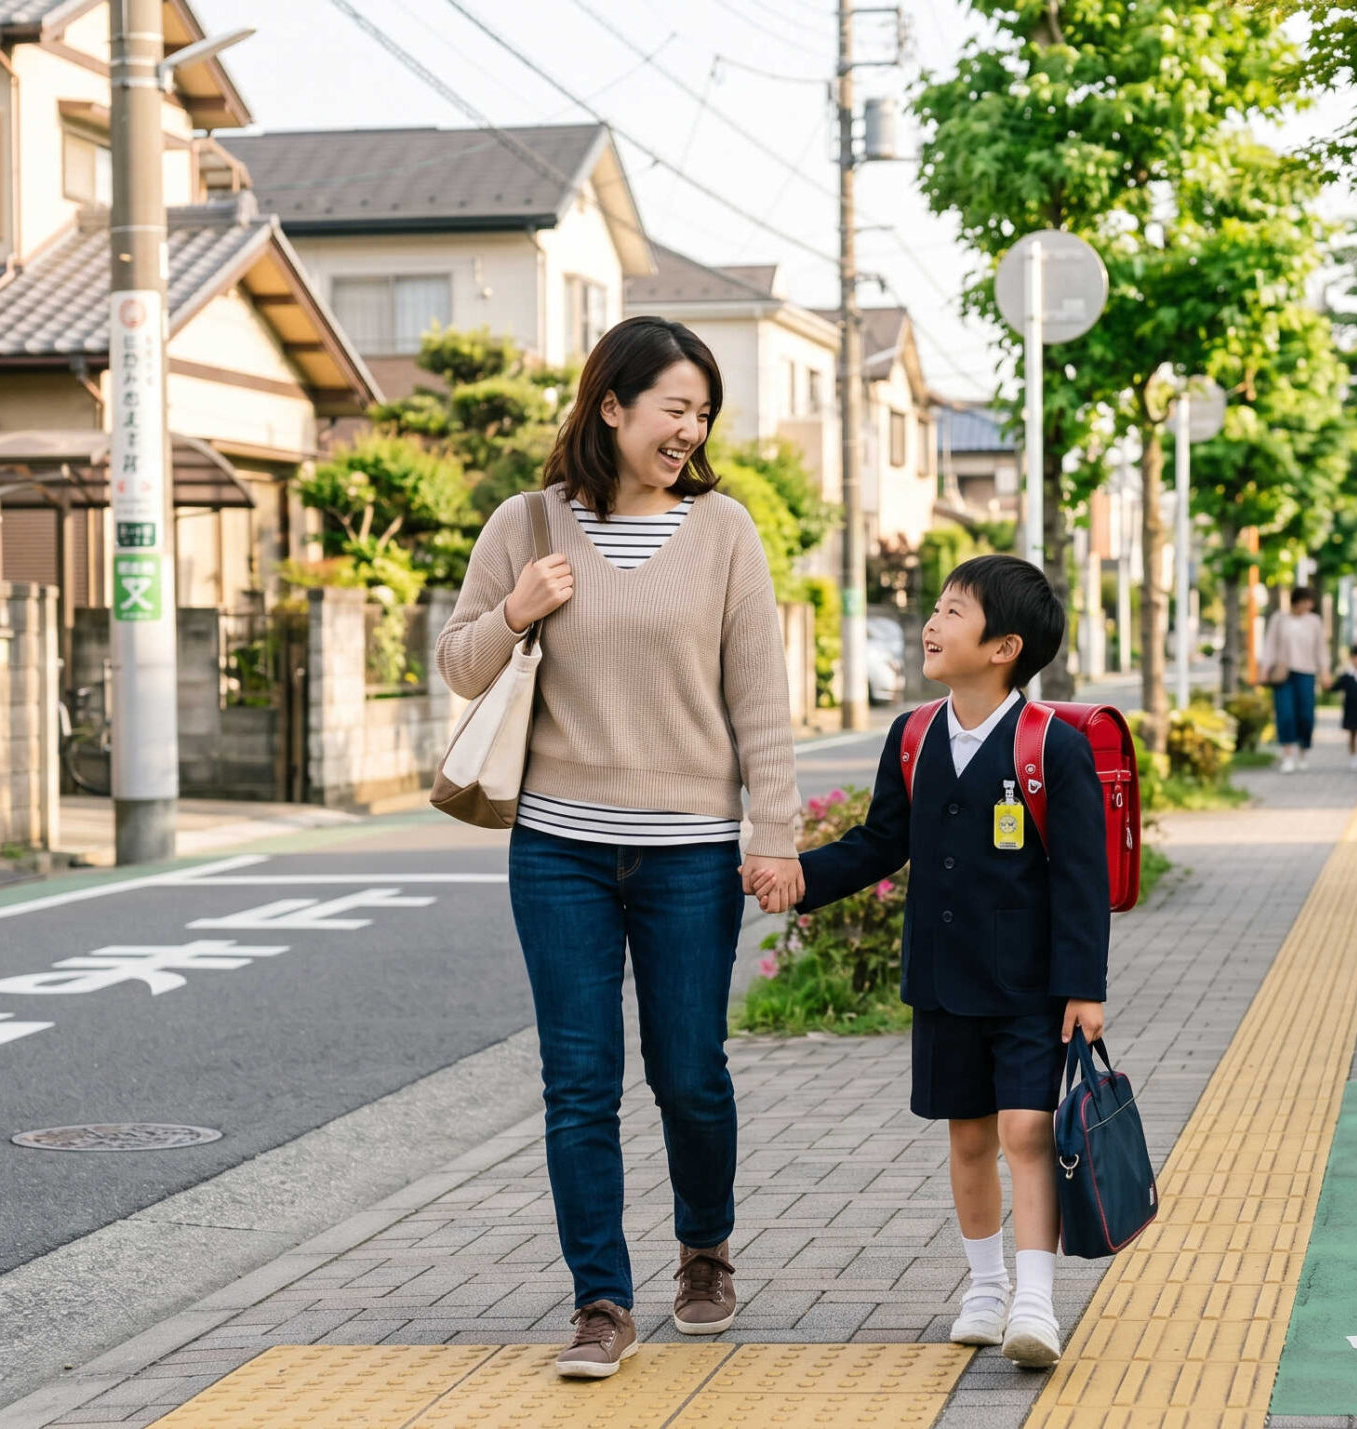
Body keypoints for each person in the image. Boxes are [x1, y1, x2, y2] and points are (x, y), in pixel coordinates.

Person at [437, 315, 804, 1380]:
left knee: (688, 1071)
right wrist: (518, 606)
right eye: (673, 408)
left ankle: (704, 1245)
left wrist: (772, 835)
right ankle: (600, 1299)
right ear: (613, 405)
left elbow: (759, 700)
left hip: (691, 851)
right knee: (577, 1080)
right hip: (558, 848)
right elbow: (461, 664)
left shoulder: (726, 529)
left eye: (702, 413)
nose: (688, 429)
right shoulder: (526, 522)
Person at [752, 555, 1109, 1371]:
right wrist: (802, 875)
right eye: (938, 608)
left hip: (1029, 984)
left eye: (954, 611)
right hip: (945, 980)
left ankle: (1034, 1299)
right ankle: (983, 1289)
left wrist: (1084, 988)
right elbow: (883, 840)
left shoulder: (1050, 745)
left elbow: (1081, 879)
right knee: (969, 1137)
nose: (933, 624)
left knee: (1027, 1130)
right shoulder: (913, 735)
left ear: (1004, 646)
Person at [1258, 586, 1328, 771]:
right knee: (1285, 713)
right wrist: (1265, 669)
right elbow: (1270, 645)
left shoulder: (1314, 621)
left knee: (1306, 714)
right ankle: (1287, 755)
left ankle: (1303, 750)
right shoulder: (1279, 619)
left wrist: (1325, 670)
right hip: (1283, 673)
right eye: (1306, 602)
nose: (1309, 606)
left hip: (1306, 672)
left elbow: (1321, 648)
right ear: (1297, 601)